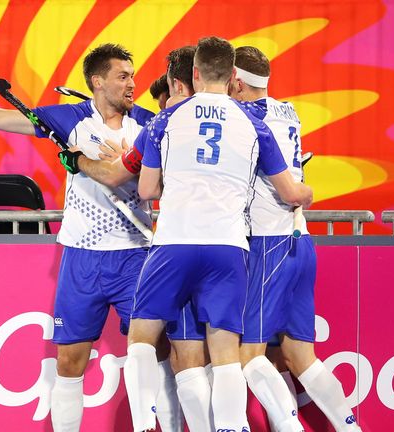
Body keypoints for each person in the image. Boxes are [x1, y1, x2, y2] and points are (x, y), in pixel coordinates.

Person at [0, 43, 176, 432]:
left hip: (136, 256)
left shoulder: (149, 124)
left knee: (156, 353)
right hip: (82, 256)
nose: (132, 84)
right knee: (69, 362)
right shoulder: (70, 120)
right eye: (123, 76)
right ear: (97, 81)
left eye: (132, 75)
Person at [123, 36, 314, 432]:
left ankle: (143, 425)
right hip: (228, 247)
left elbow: (144, 190)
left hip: (174, 243)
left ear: (193, 73)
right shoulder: (254, 123)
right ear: (231, 77)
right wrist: (306, 192)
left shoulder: (165, 119)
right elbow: (290, 191)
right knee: (226, 354)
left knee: (142, 338)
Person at [62, 45, 215, 432]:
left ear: (183, 82)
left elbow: (141, 186)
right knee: (210, 357)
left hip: (157, 254)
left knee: (171, 353)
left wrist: (93, 161)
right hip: (211, 252)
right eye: (124, 76)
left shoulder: (157, 126)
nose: (131, 83)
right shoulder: (195, 122)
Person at [230, 46, 362, 432]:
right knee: (298, 354)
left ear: (236, 81)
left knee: (246, 355)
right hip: (300, 240)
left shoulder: (245, 117)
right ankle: (349, 426)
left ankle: (290, 428)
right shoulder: (288, 110)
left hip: (269, 241)